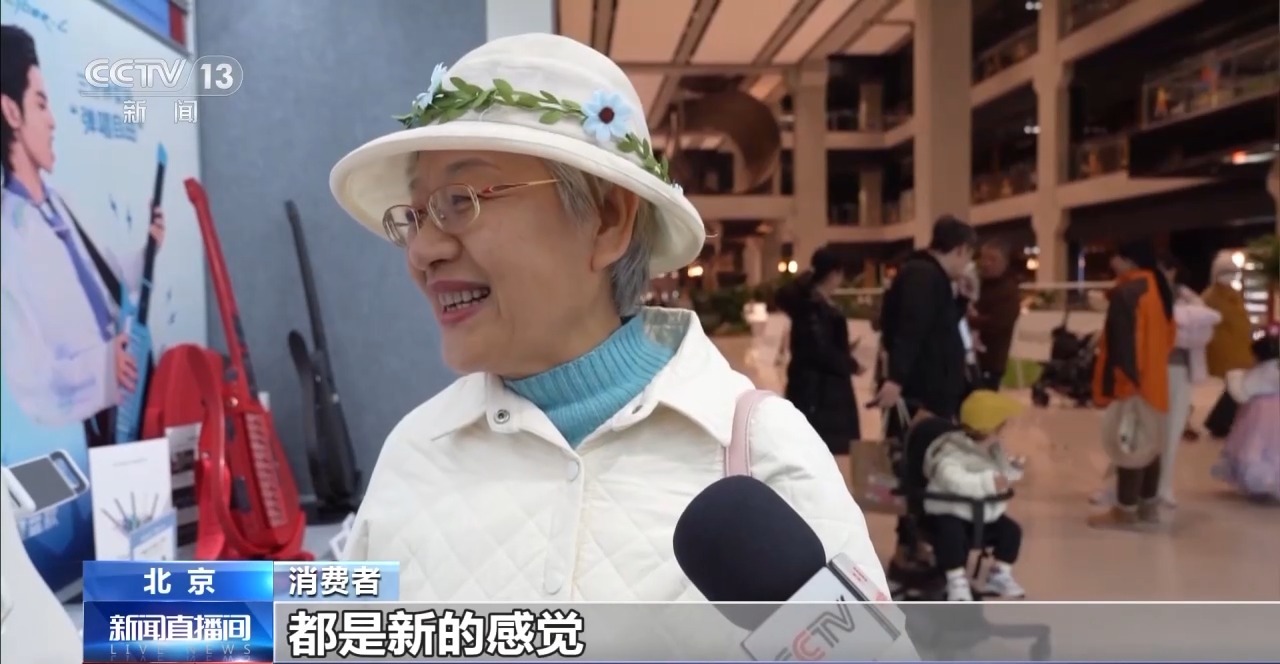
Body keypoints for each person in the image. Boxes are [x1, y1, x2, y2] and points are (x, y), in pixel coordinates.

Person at [332, 34, 891, 602]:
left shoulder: (763, 450)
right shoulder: (415, 453)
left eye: (461, 200)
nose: (422, 250)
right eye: (416, 215)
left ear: (606, 220)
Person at [0, 24, 165, 446]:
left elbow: (110, 278)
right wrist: (104, 368)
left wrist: (147, 249)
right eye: (41, 104)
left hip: (131, 404)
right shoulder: (8, 240)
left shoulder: (63, 203)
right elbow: (32, 382)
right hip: (88, 433)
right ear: (12, 112)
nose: (53, 122)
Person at [875, 215, 977, 572]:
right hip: (922, 396)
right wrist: (896, 380)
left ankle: (919, 541)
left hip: (929, 393)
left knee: (923, 469)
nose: (967, 265)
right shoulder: (923, 276)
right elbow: (911, 331)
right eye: (968, 256)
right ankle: (911, 544)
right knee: (915, 469)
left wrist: (960, 302)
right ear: (960, 249)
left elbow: (936, 330)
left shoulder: (929, 276)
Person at [1088, 241, 1176, 529]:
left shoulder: (1127, 292)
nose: (1111, 263)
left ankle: (1125, 512)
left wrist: (1124, 383)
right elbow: (1169, 337)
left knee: (1130, 445)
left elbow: (1122, 345)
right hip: (1155, 379)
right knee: (1151, 445)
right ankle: (1148, 507)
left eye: (1114, 257)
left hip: (1132, 383)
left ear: (1128, 260)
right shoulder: (1158, 288)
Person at [923, 390, 1027, 601]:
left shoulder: (994, 450)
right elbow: (954, 480)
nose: (1005, 429)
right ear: (992, 429)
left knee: (1011, 532)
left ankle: (999, 573)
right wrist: (988, 483)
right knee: (950, 536)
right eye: (1003, 425)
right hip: (950, 511)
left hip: (981, 514)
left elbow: (1002, 473)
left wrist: (1012, 471)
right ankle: (956, 579)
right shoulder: (951, 451)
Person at [776, 246, 861, 482]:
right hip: (820, 393)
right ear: (834, 273)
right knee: (820, 451)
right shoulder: (814, 307)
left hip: (816, 390)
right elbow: (820, 351)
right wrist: (850, 363)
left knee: (817, 451)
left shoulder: (811, 304)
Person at [1154, 254, 1220, 507]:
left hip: (1177, 368)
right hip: (1151, 368)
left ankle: (1164, 486)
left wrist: (1171, 329)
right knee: (1143, 430)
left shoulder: (1189, 300)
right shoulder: (1149, 295)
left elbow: (1202, 332)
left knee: (1171, 430)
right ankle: (1127, 486)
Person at [1212, 325, 1279, 502]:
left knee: (1254, 445)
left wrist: (1234, 376)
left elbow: (1241, 392)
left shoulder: (1259, 372)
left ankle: (1259, 484)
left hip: (1258, 412)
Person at [1201, 253, 1256, 438]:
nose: (1230, 276)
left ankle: (1220, 422)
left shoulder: (1233, 294)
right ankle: (1219, 422)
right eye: (1226, 272)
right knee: (1236, 386)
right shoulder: (1211, 296)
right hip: (1225, 348)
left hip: (1239, 346)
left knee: (1236, 386)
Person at [971, 240, 1023, 391]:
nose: (986, 263)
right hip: (969, 360)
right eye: (983, 258)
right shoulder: (976, 284)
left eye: (993, 259)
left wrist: (969, 321)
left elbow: (998, 323)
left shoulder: (1008, 290)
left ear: (1005, 262)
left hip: (991, 361)